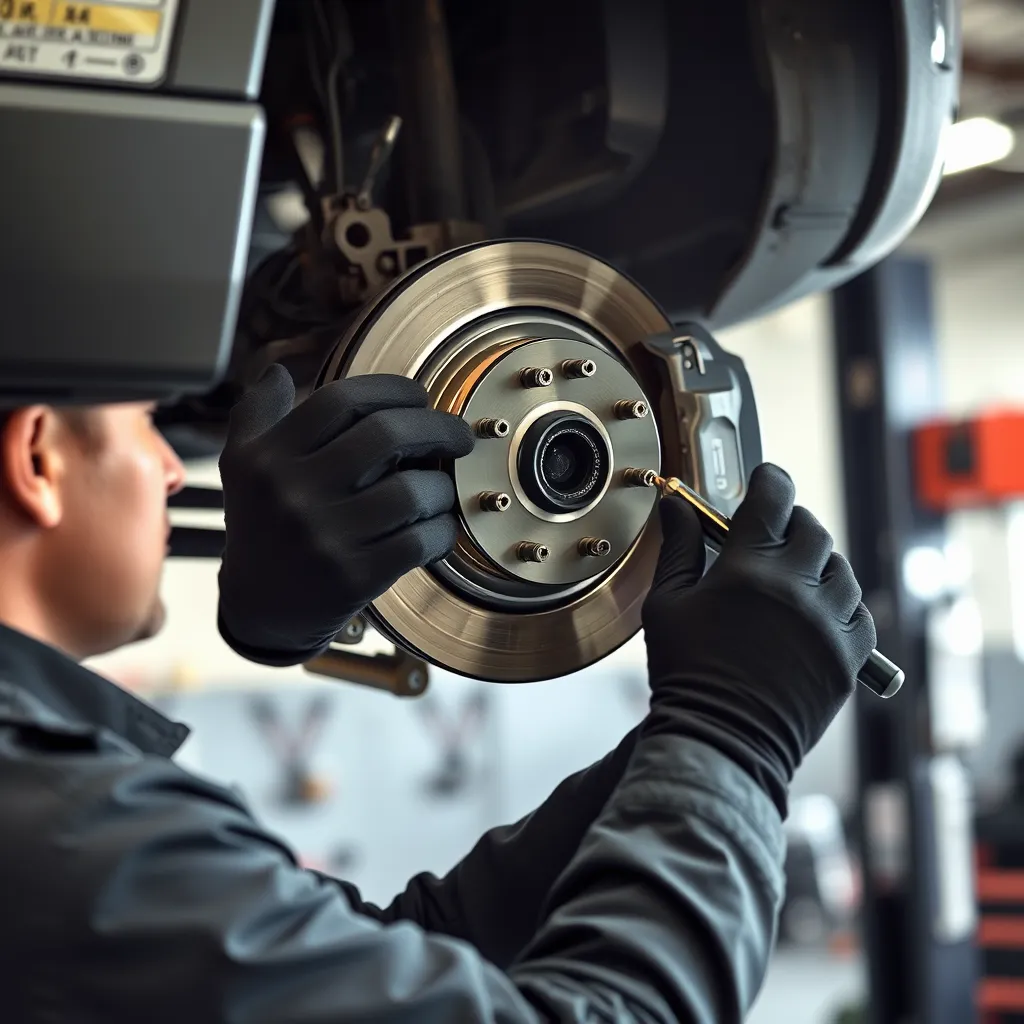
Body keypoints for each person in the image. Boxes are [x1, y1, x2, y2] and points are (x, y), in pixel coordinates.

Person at [0, 364, 875, 1023]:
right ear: (37, 455)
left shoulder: (63, 817)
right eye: (150, 424)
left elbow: (392, 955)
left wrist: (693, 728)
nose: (173, 470)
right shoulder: (72, 833)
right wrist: (734, 734)